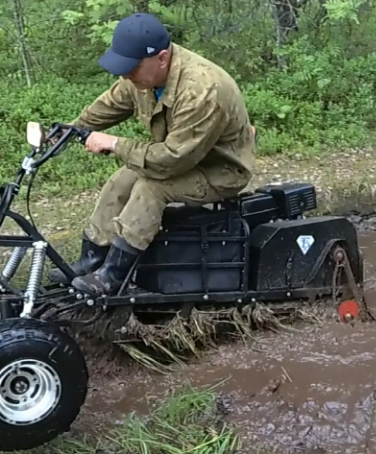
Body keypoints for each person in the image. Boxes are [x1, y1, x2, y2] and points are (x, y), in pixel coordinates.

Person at [48, 12, 257, 296]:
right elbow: (111, 103)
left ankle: (113, 275)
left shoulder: (201, 90)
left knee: (151, 188)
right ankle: (93, 258)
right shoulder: (144, 76)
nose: (126, 75)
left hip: (220, 170)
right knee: (121, 180)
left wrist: (115, 144)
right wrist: (72, 129)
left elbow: (173, 159)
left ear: (161, 58)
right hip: (184, 157)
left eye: (131, 68)